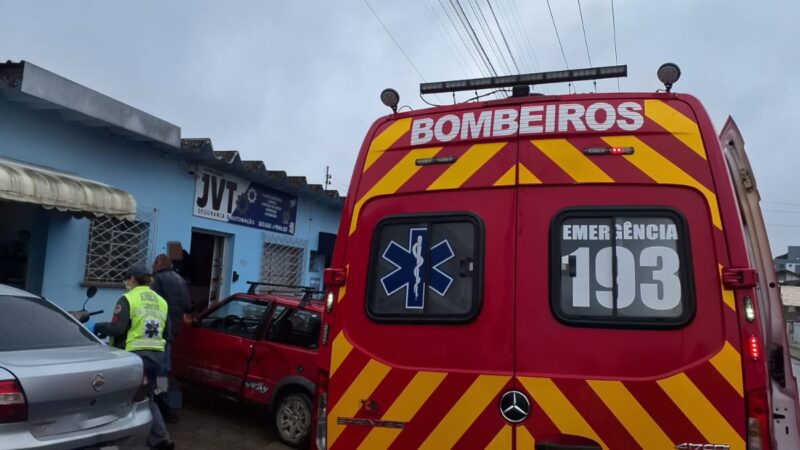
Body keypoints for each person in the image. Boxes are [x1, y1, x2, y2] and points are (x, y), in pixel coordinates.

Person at [94, 265, 174, 450]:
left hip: (136, 357)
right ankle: (160, 438)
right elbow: (168, 334)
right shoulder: (161, 301)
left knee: (124, 398)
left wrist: (101, 327)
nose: (125, 283)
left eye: (126, 279)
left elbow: (118, 329)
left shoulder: (128, 298)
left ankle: (120, 438)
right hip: (157, 357)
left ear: (132, 279)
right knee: (149, 397)